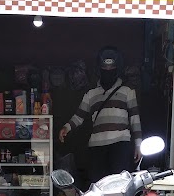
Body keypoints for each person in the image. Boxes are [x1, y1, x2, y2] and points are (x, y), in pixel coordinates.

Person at [59, 46, 142, 183]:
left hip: (121, 145)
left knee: (119, 185)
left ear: (117, 70)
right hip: (97, 147)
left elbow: (135, 120)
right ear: (99, 70)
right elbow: (79, 117)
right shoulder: (91, 94)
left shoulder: (128, 91)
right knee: (99, 186)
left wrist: (138, 145)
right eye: (105, 69)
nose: (108, 72)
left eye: (112, 69)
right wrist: (66, 128)